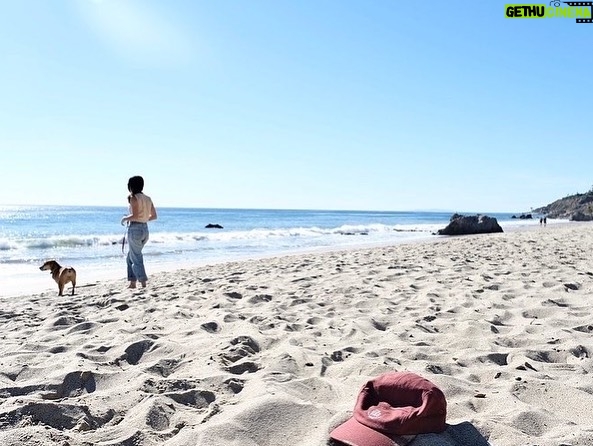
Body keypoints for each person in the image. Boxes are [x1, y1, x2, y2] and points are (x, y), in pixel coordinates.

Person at [120, 176, 158, 288]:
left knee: (136, 257)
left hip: (135, 230)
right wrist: (143, 219)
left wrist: (125, 218)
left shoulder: (133, 198)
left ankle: (143, 283)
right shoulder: (148, 198)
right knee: (130, 257)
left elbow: (135, 216)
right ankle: (132, 282)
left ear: (131, 186)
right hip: (145, 230)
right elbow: (154, 216)